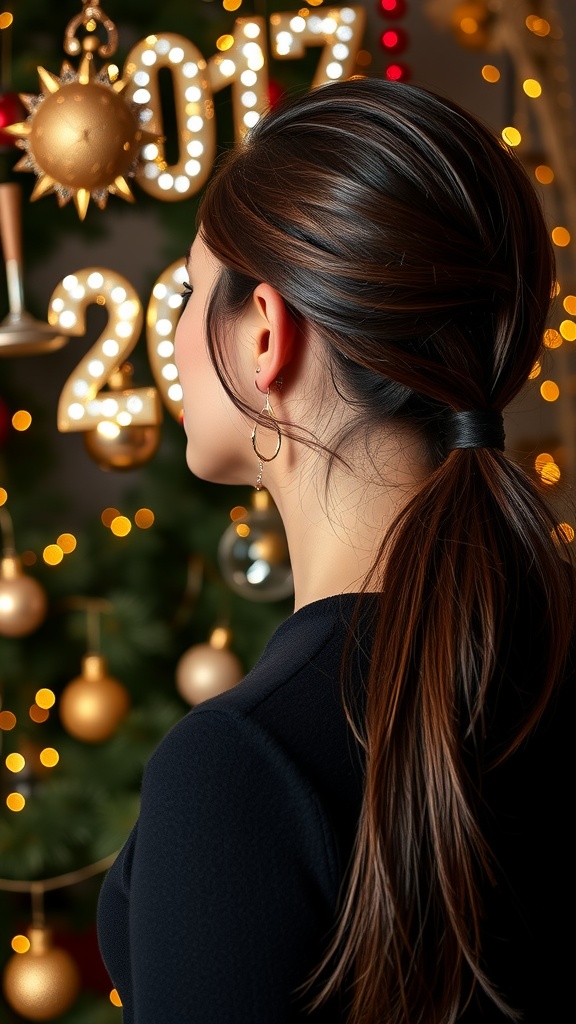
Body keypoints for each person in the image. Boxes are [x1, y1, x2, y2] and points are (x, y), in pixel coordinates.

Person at [97, 79, 574, 1023]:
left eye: (194, 292)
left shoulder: (241, 765)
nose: (180, 335)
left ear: (268, 333)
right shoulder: (546, 655)